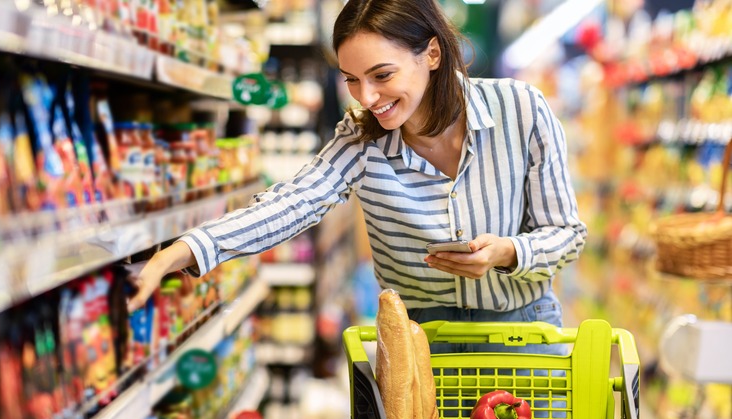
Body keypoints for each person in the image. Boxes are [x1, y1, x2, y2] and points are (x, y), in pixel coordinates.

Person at [127, 0, 586, 359]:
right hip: (417, 346)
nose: (368, 98)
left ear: (431, 53)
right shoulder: (362, 138)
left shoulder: (521, 109)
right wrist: (185, 251)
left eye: (382, 75)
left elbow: (567, 233)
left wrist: (509, 252)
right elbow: (293, 203)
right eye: (351, 79)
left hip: (521, 337)